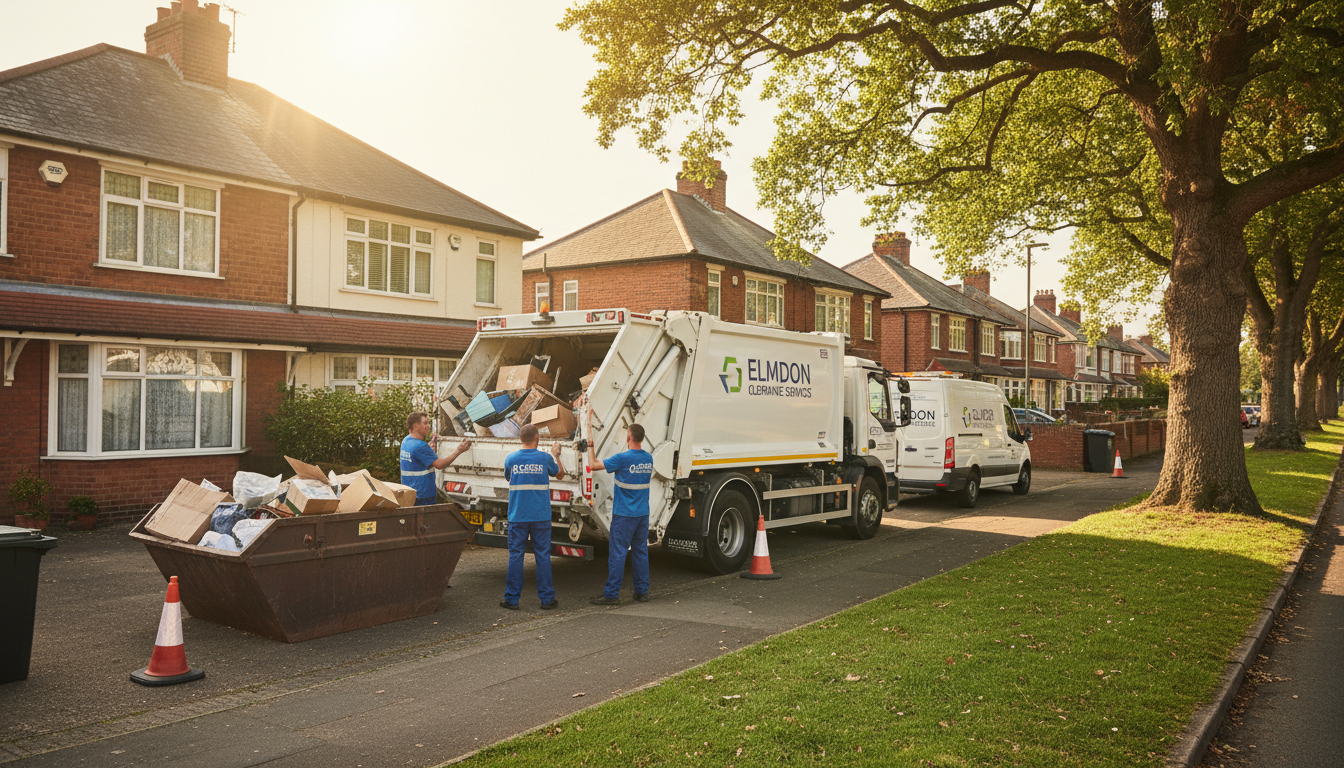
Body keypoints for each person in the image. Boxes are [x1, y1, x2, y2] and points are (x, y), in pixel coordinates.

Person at [587, 417, 654, 606]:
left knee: (618, 554)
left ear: (628, 438)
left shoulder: (623, 458)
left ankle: (611, 595)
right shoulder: (648, 458)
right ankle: (642, 592)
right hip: (642, 514)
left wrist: (590, 444)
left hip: (624, 515)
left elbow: (593, 465)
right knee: (640, 552)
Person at [501, 423, 565, 610]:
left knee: (516, 556)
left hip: (518, 515)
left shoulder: (511, 459)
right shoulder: (545, 458)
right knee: (543, 557)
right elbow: (559, 475)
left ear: (520, 439)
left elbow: (508, 477)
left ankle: (511, 600)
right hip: (540, 516)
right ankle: (547, 599)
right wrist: (557, 455)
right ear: (537, 438)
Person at [401, 412, 471, 506]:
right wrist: (459, 450)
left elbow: (417, 460)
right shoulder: (420, 446)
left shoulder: (406, 441)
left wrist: (428, 451)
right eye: (425, 423)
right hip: (423, 495)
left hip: (410, 492)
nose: (428, 426)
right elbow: (439, 465)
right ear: (415, 426)